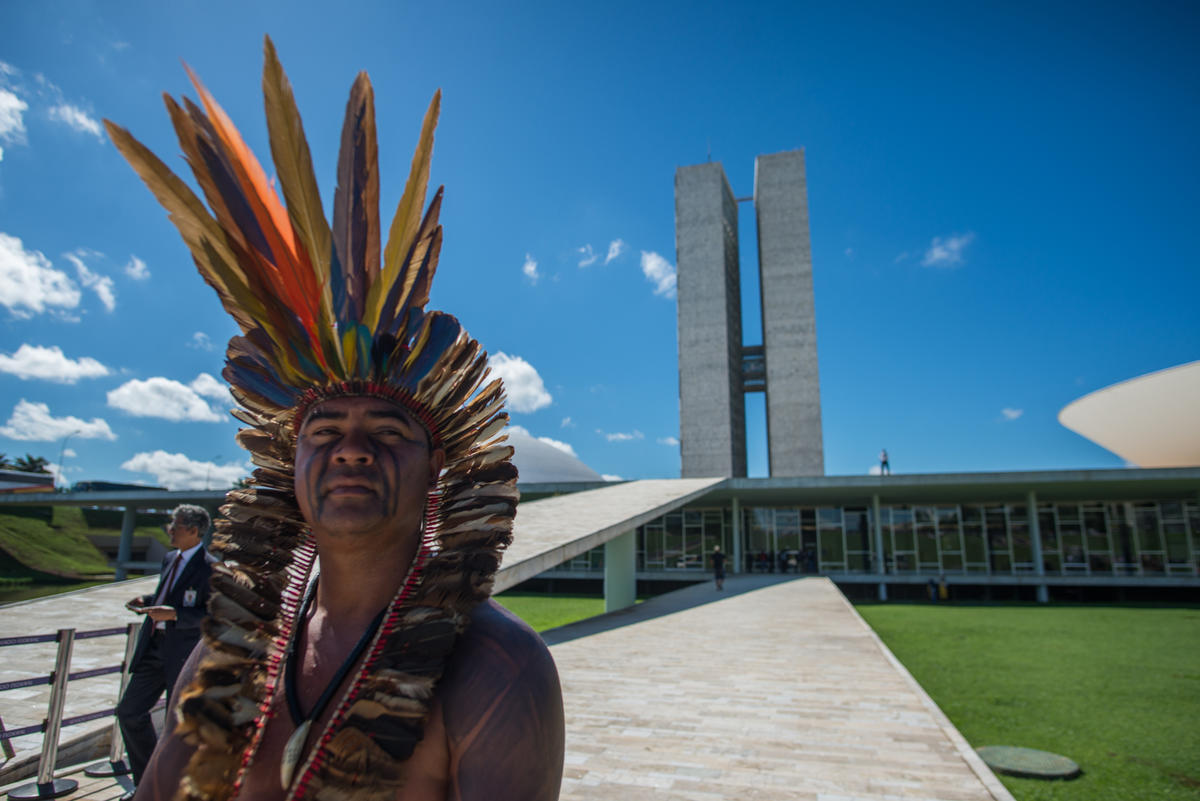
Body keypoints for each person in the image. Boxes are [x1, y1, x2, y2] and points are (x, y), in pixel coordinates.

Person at [106, 36, 564, 801]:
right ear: (291, 465)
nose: (351, 449)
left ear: (437, 470)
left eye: (387, 433)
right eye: (324, 431)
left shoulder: (496, 671)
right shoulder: (228, 654)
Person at [116, 505, 217, 797]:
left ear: (194, 530)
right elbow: (170, 594)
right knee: (129, 713)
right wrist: (147, 599)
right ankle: (147, 783)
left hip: (183, 656)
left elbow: (212, 614)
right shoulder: (169, 558)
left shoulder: (211, 568)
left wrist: (173, 615)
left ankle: (181, 787)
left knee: (181, 726)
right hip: (152, 650)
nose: (169, 529)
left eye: (175, 525)